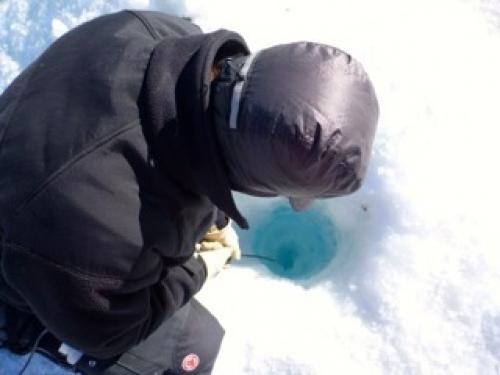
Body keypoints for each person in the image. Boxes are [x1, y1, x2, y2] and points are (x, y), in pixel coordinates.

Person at [0, 9, 379, 375]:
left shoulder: (157, 29)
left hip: (33, 148)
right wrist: (198, 268)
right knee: (195, 348)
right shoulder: (109, 235)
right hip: (30, 252)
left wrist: (208, 214)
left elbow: (197, 130)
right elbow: (107, 330)